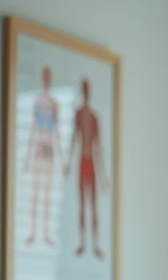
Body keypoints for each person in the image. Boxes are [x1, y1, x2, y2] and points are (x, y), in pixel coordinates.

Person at [64, 78, 108, 259]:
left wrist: (103, 175)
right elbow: (74, 139)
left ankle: (95, 244)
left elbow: (99, 147)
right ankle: (82, 243)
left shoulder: (95, 117)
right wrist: (67, 162)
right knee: (82, 204)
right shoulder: (78, 115)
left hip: (92, 164)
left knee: (94, 205)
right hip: (82, 161)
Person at [23, 64, 63, 247]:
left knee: (46, 194)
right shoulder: (38, 101)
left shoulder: (55, 104)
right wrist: (27, 156)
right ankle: (32, 231)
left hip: (50, 148)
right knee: (35, 193)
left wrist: (62, 157)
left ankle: (46, 233)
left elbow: (58, 133)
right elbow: (32, 129)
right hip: (39, 146)